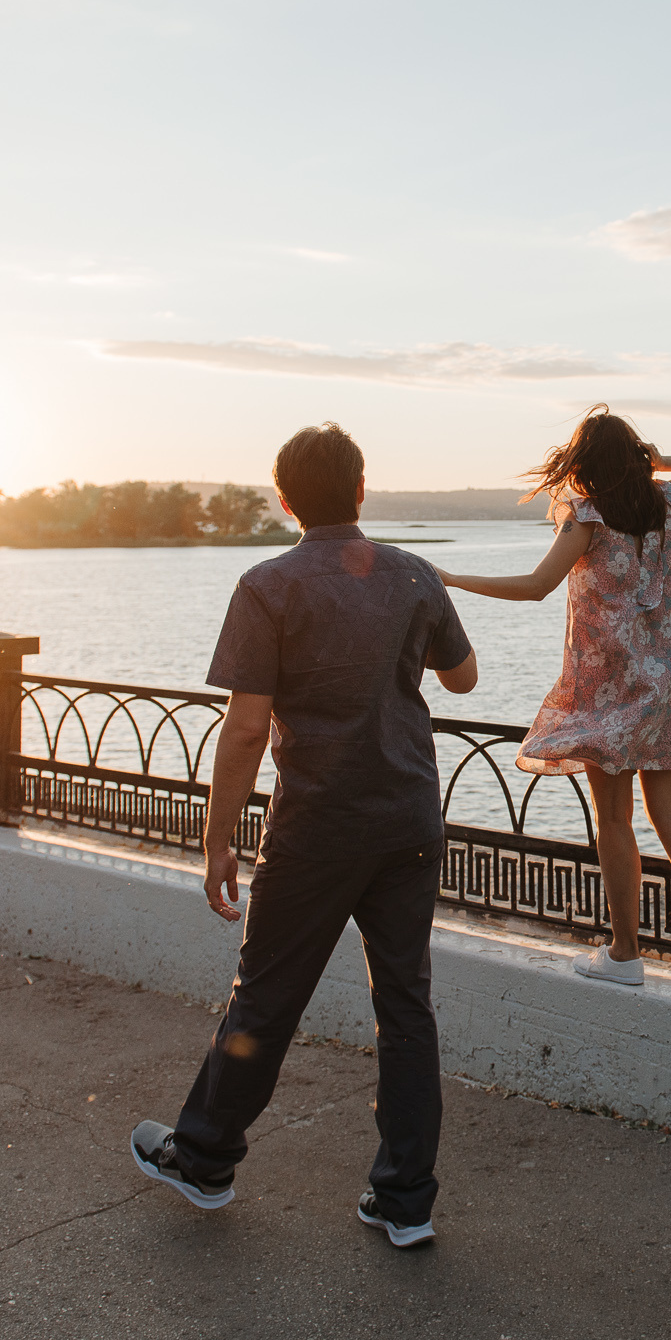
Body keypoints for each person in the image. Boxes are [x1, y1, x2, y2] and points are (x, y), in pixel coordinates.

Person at [131, 422, 478, 1250]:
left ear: (284, 498)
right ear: (361, 489)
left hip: (318, 826)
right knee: (406, 1006)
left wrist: (219, 837)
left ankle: (206, 1158)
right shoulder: (414, 573)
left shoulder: (268, 585)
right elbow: (463, 677)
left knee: (268, 995)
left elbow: (246, 728)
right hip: (408, 820)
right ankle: (405, 1200)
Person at [438, 405, 671, 993]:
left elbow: (534, 588)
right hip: (666, 679)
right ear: (634, 458)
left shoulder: (587, 517)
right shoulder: (670, 504)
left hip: (609, 684)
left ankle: (625, 954)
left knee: (613, 817)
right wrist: (655, 463)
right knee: (669, 812)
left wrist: (451, 580)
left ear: (583, 465)